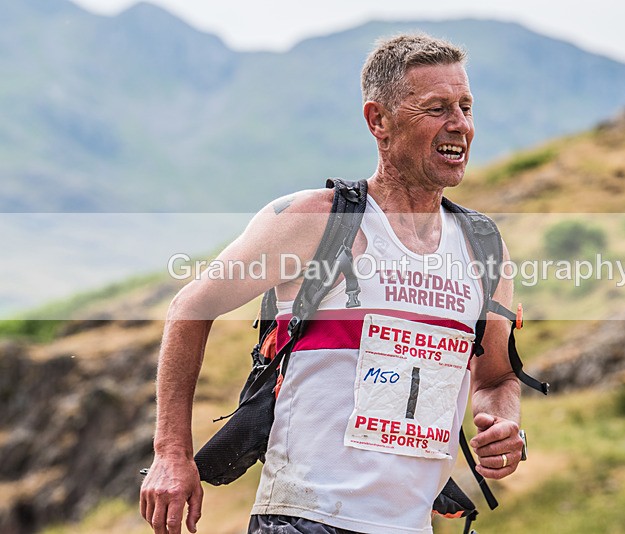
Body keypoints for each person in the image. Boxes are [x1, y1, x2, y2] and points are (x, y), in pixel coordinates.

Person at [140, 33, 525, 534]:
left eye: (466, 106)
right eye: (436, 108)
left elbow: (495, 378)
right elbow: (190, 307)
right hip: (305, 519)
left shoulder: (483, 248)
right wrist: (172, 453)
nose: (460, 124)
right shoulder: (316, 221)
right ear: (378, 121)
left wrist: (503, 422)